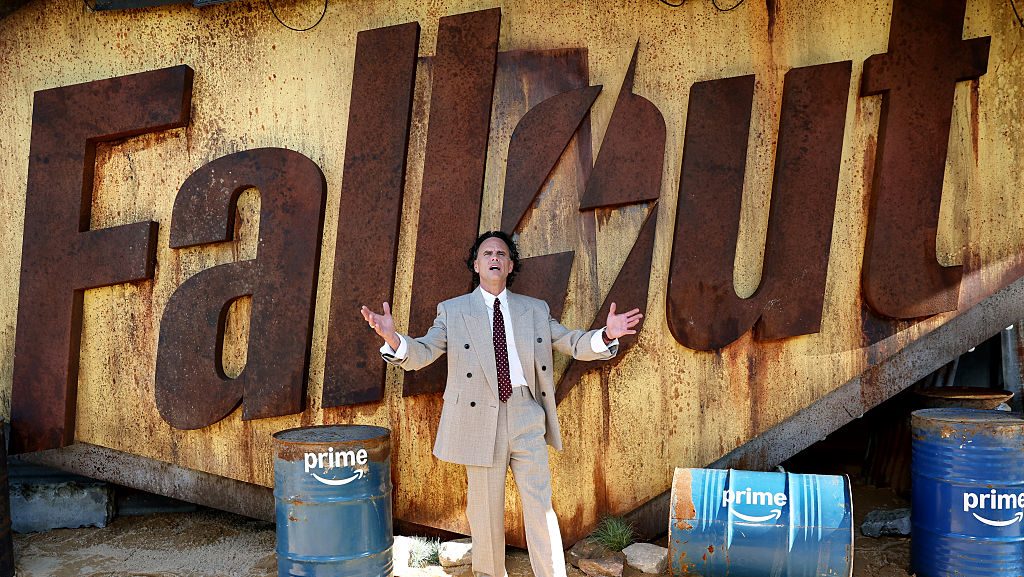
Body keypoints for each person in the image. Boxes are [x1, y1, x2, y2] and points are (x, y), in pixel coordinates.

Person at [360, 231, 642, 577]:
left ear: (509, 266)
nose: (494, 257)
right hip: (479, 419)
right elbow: (422, 352)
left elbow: (571, 342)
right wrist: (393, 338)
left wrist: (607, 334)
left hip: (525, 413)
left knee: (540, 508)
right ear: (476, 264)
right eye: (487, 252)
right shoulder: (453, 311)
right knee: (485, 513)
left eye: (502, 253)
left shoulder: (534, 309)